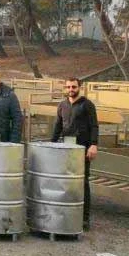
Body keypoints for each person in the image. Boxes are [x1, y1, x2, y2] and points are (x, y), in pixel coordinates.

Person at [50, 77, 99, 230]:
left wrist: (93, 145)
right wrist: (51, 145)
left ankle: (84, 219)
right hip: (66, 148)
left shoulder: (87, 105)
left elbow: (94, 125)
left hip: (82, 148)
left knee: (82, 182)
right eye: (69, 87)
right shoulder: (63, 105)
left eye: (74, 87)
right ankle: (66, 213)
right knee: (65, 181)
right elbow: (58, 126)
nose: (71, 89)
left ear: (80, 87)